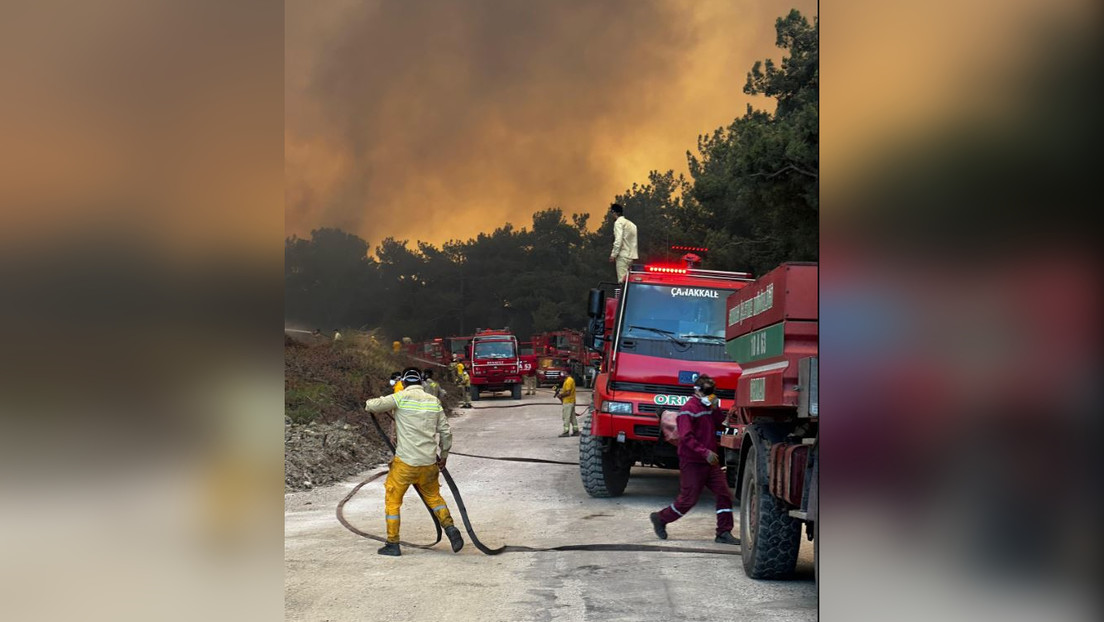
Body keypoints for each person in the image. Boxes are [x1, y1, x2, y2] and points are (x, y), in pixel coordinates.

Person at [365, 367, 465, 557]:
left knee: (393, 501)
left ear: (403, 382)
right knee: (434, 498)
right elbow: (446, 433)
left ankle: (393, 544)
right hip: (428, 463)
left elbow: (371, 406)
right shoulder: (434, 401)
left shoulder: (400, 397)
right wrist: (443, 456)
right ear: (421, 382)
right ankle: (451, 529)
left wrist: (372, 400)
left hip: (405, 464)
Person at [649, 374, 738, 545]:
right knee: (688, 499)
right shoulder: (687, 410)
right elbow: (686, 438)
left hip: (710, 462)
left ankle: (724, 532)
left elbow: (721, 424)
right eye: (708, 393)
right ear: (697, 392)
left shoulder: (709, 407)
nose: (710, 395)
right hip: (693, 461)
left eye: (712, 392)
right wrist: (705, 453)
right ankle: (660, 518)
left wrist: (716, 408)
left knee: (724, 494)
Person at [608, 203, 638, 282]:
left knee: (622, 281)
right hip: (631, 257)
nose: (612, 215)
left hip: (622, 256)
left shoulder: (618, 223)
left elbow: (618, 240)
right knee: (629, 281)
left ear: (616, 212)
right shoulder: (632, 225)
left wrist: (613, 255)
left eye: (612, 212)